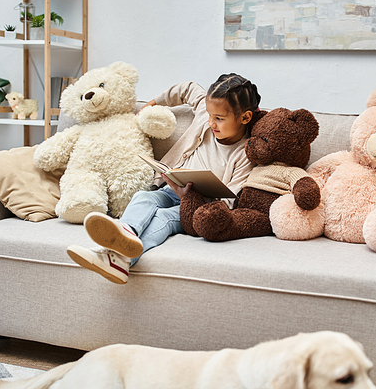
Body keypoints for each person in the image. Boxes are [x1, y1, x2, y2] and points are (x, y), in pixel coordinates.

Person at [67, 74, 261, 283]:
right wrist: (153, 103)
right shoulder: (205, 117)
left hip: (197, 205)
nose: (211, 123)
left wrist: (188, 198)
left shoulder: (245, 153)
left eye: (219, 119)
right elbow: (186, 88)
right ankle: (125, 233)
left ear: (245, 118)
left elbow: (230, 200)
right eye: (209, 115)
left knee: (164, 218)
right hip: (172, 187)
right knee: (144, 197)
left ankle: (120, 260)